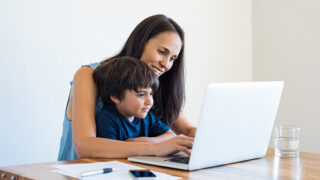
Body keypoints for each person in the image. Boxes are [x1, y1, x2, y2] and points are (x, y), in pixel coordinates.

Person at [58, 14, 196, 161]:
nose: (166, 64)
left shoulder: (153, 85)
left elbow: (187, 131)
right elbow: (85, 147)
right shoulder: (88, 75)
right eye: (162, 52)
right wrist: (155, 148)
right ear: (140, 43)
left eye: (173, 59)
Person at [94, 56, 175, 144]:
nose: (149, 102)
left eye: (151, 94)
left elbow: (170, 135)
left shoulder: (147, 116)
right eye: (141, 94)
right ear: (116, 96)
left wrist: (149, 141)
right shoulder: (107, 119)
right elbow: (108, 150)